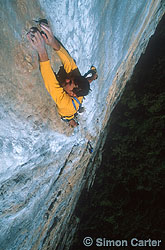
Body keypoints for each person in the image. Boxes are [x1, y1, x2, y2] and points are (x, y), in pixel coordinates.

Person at [27, 21, 98, 127]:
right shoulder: (77, 79)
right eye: (72, 79)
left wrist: (41, 50)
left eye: (70, 83)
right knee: (80, 75)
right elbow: (68, 61)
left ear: (72, 94)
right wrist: (52, 42)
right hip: (77, 100)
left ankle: (73, 124)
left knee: (68, 118)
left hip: (68, 113)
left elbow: (49, 80)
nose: (68, 79)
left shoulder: (65, 106)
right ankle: (94, 76)